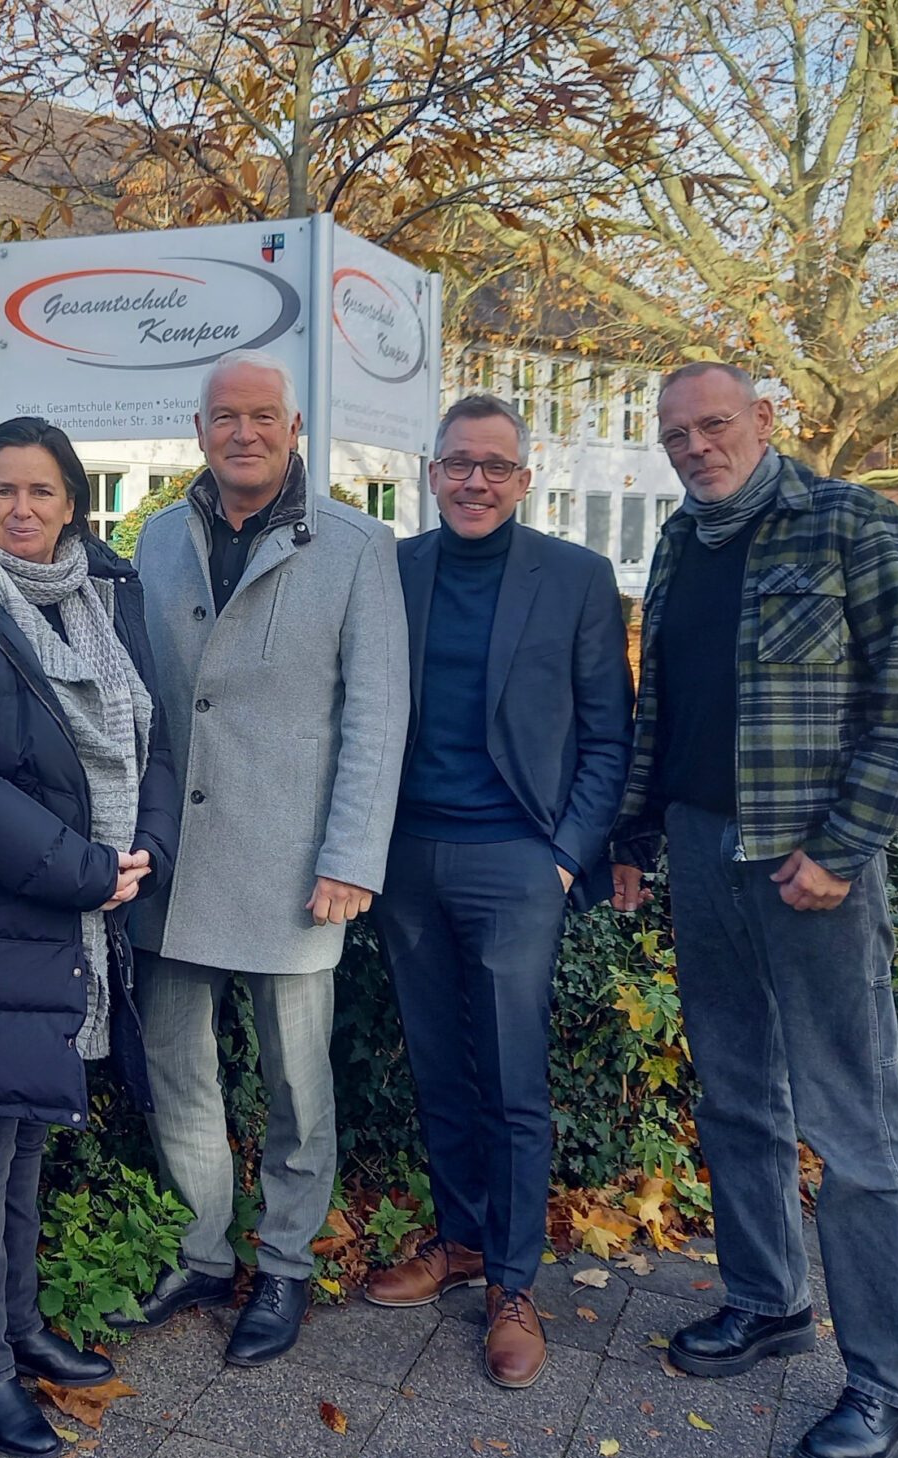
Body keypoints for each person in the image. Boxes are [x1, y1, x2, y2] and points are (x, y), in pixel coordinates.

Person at [610, 362, 898, 1458]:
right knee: (735, 1096)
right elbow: (663, 706)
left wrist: (844, 848)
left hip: (811, 867)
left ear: (764, 420)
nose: (695, 448)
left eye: (714, 425)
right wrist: (636, 832)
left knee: (855, 1123)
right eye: (675, 435)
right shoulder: (680, 540)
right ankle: (767, 1300)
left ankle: (891, 1383)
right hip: (703, 848)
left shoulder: (852, 521)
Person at [112, 348, 411, 1366]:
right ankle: (201, 1251)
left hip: (294, 868)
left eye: (263, 415)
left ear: (294, 429)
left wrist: (352, 855)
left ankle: (283, 1262)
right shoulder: (158, 538)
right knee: (178, 1069)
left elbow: (376, 714)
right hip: (176, 857)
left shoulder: (357, 546)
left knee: (296, 1082)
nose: (244, 432)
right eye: (225, 416)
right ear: (199, 430)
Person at [0, 418, 180, 1458]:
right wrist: (88, 871)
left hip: (78, 913)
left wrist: (145, 849)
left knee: (24, 1139)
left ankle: (18, 1327)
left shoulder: (107, 602)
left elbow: (151, 740)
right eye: (2, 489)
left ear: (72, 505)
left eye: (43, 490)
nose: (22, 508)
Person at [363, 394, 633, 1388]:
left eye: (494, 466)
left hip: (517, 858)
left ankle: (515, 1284)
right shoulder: (391, 570)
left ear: (523, 478)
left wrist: (563, 855)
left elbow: (609, 733)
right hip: (406, 857)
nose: (474, 481)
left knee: (514, 1080)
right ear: (431, 473)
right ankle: (463, 1240)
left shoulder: (577, 577)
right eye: (458, 464)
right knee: (439, 1066)